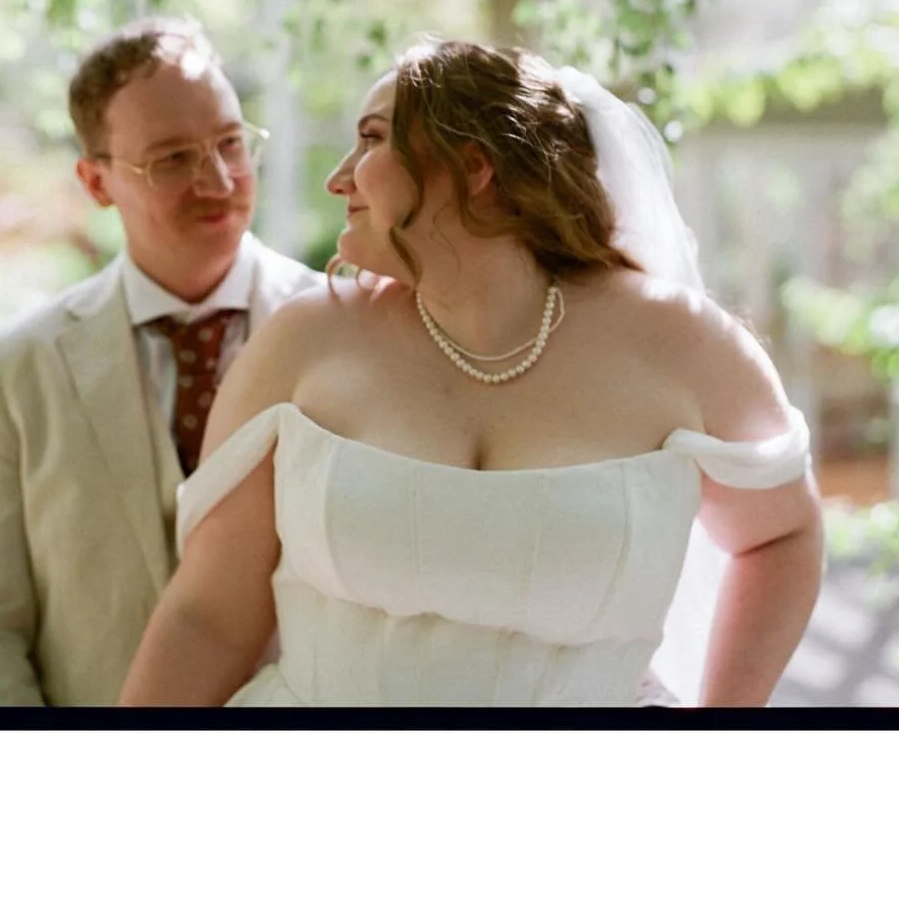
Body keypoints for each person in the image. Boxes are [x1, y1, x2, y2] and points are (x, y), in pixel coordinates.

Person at [119, 39, 824, 708]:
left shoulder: (685, 344)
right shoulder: (303, 341)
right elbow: (208, 617)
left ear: (475, 168)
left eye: (371, 140)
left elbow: (780, 534)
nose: (338, 178)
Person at [0, 17, 323, 706]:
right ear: (96, 181)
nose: (218, 178)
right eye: (172, 159)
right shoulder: (14, 370)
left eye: (231, 143)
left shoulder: (340, 330)